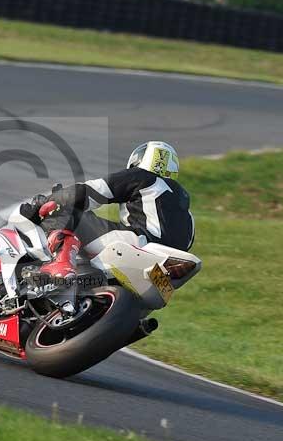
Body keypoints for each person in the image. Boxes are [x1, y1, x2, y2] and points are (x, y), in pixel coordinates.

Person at [21, 141, 195, 336]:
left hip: (137, 245)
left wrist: (50, 202)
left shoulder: (144, 177)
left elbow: (91, 192)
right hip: (159, 270)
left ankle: (61, 266)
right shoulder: (188, 216)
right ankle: (127, 327)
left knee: (69, 215)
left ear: (141, 159)